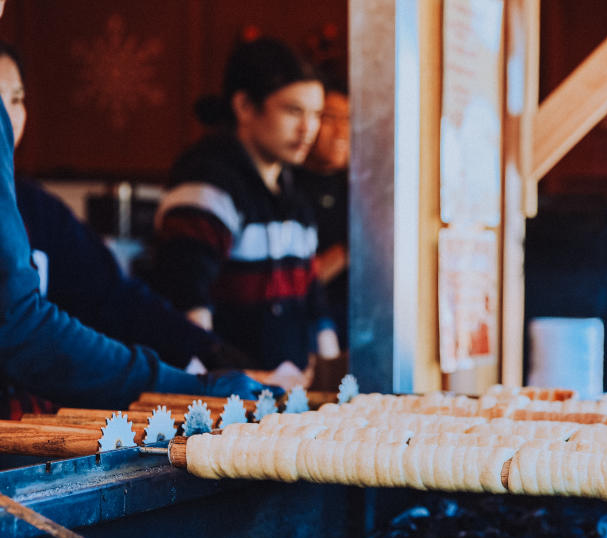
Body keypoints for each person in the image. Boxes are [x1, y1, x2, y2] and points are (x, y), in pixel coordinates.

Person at [0, 1, 263, 413]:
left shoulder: (38, 207)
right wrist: (177, 386)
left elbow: (112, 295)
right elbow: (16, 326)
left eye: (16, 99)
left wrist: (209, 353)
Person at [145, 37, 339, 373]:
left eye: (316, 114)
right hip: (226, 402)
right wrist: (208, 387)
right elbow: (186, 301)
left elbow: (313, 298)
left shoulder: (292, 194)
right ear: (245, 106)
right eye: (293, 111)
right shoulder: (207, 181)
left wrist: (332, 374)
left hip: (280, 399)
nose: (309, 128)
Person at [294, 73, 349, 342]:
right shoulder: (287, 184)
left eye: (349, 120)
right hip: (301, 323)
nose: (341, 131)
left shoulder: (361, 189)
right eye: (331, 118)